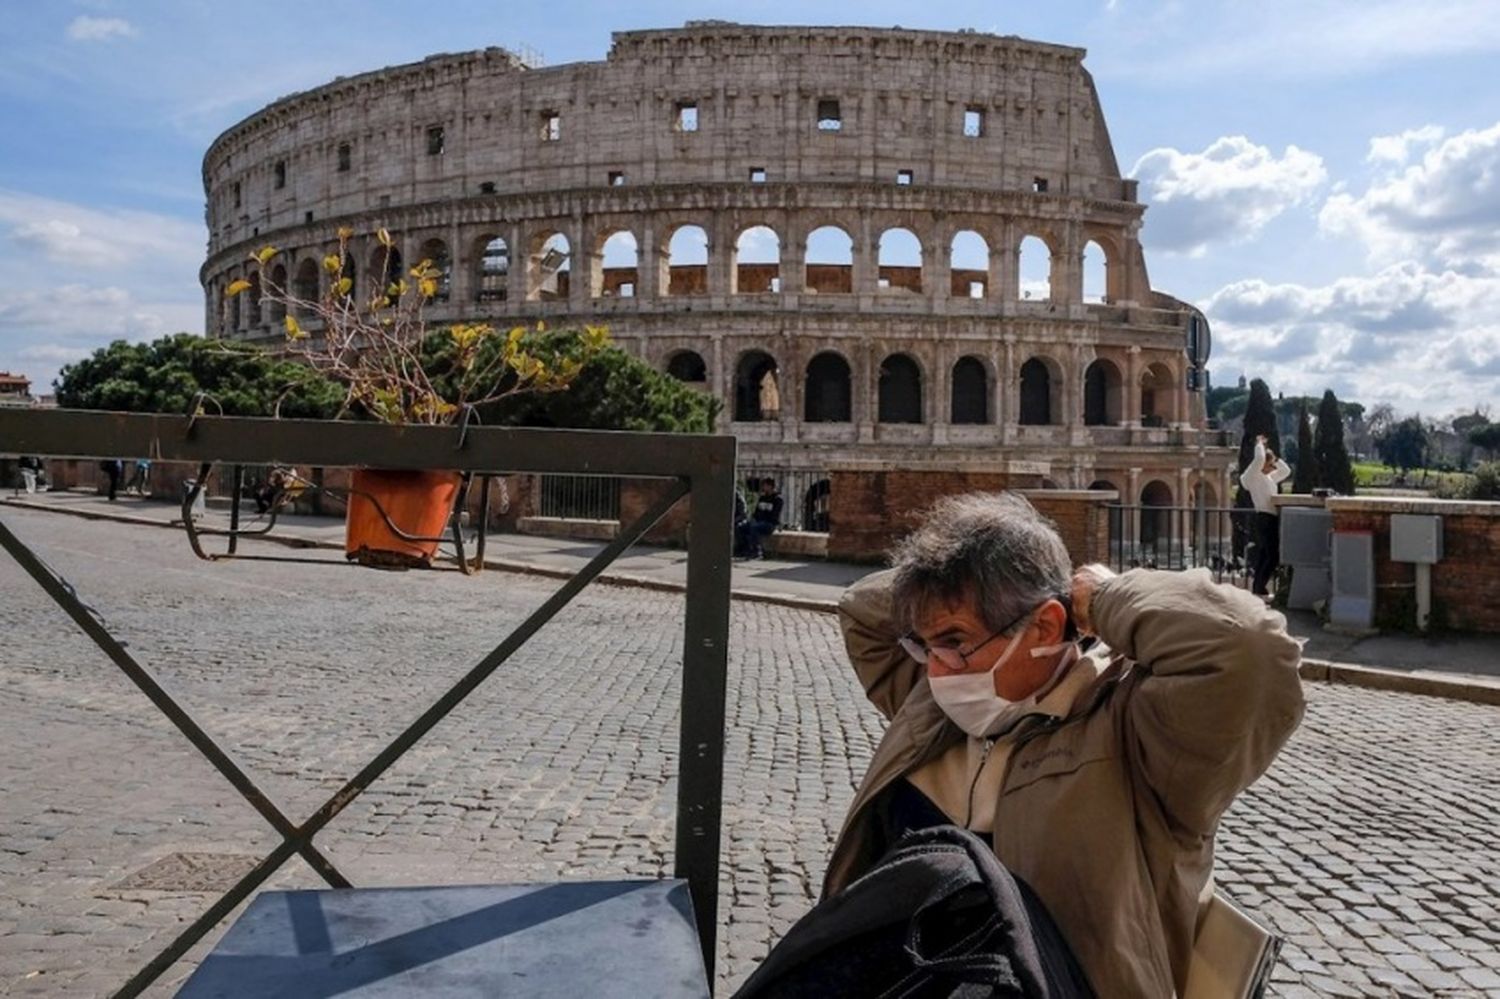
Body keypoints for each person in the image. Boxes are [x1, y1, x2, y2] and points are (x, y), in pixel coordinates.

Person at [825, 492, 1304, 997]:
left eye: (954, 641)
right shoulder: (933, 700)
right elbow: (862, 609)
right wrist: (958, 574)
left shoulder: (1135, 732)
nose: (937, 667)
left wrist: (1102, 598)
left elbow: (1248, 651)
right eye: (924, 645)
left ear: (1046, 627)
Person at [1240, 435, 1291, 597]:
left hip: (1271, 518)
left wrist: (1275, 459)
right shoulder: (1254, 477)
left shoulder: (1268, 478)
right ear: (1262, 465)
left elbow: (1286, 471)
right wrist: (1260, 443)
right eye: (1269, 465)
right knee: (1272, 555)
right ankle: (1259, 586)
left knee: (1265, 554)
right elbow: (1259, 457)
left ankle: (1258, 587)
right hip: (1264, 518)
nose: (1272, 468)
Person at [735, 477, 783, 559]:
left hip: (770, 524)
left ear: (770, 486)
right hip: (758, 522)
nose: (763, 488)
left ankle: (757, 551)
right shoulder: (762, 498)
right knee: (741, 527)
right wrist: (753, 519)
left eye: (765, 485)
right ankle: (743, 549)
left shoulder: (778, 500)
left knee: (754, 528)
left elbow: (774, 515)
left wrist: (760, 520)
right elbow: (756, 512)